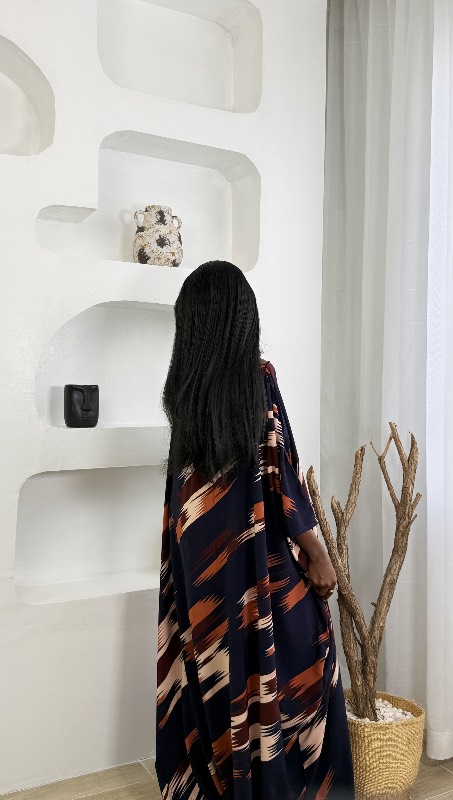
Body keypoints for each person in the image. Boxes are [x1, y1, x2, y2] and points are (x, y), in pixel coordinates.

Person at [155, 261, 355, 799]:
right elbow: (280, 476)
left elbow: (181, 500)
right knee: (307, 653)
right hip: (256, 561)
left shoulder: (183, 395)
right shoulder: (258, 379)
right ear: (243, 318)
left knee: (215, 675)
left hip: (199, 570)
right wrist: (318, 554)